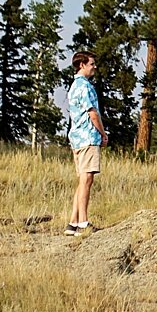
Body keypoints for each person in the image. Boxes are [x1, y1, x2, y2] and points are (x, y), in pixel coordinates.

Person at [66, 51, 106, 236]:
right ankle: (83, 222)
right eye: (91, 64)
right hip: (88, 136)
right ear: (82, 65)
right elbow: (93, 113)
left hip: (77, 138)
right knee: (87, 180)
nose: (94, 67)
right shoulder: (86, 87)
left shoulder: (74, 86)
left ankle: (73, 223)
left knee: (82, 180)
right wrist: (103, 133)